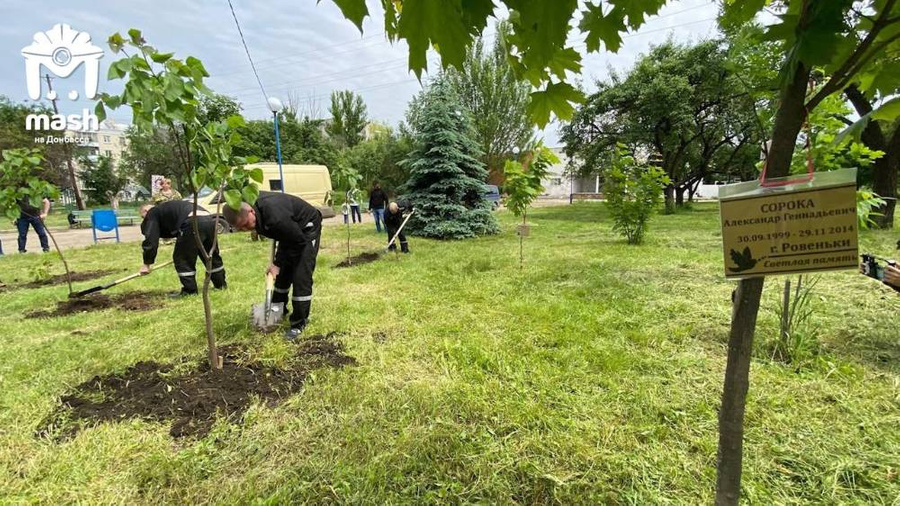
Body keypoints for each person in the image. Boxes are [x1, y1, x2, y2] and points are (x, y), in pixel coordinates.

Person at [223, 191, 322, 340]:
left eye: (245, 225)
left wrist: (278, 263)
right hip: (289, 229)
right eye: (240, 228)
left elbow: (297, 241)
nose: (245, 229)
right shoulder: (251, 203)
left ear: (251, 211)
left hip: (305, 229)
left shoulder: (275, 218)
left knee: (301, 276)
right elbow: (284, 236)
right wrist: (278, 264)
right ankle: (277, 310)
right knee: (282, 273)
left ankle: (299, 323)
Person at [139, 200, 226, 298]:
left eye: (143, 217)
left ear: (146, 210)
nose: (145, 220)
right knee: (210, 255)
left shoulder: (152, 212)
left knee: (182, 259)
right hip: (208, 219)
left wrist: (147, 263)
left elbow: (151, 240)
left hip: (192, 221)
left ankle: (190, 291)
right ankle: (221, 285)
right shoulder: (168, 208)